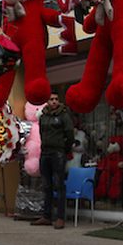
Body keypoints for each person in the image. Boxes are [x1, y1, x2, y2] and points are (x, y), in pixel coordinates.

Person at [32, 91, 74, 229]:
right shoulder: (43, 116)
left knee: (59, 185)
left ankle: (60, 218)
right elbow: (41, 133)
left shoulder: (64, 115)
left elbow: (70, 135)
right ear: (47, 102)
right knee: (46, 185)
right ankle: (46, 216)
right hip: (45, 153)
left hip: (58, 153)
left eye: (56, 99)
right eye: (51, 99)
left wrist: (64, 150)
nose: (54, 101)